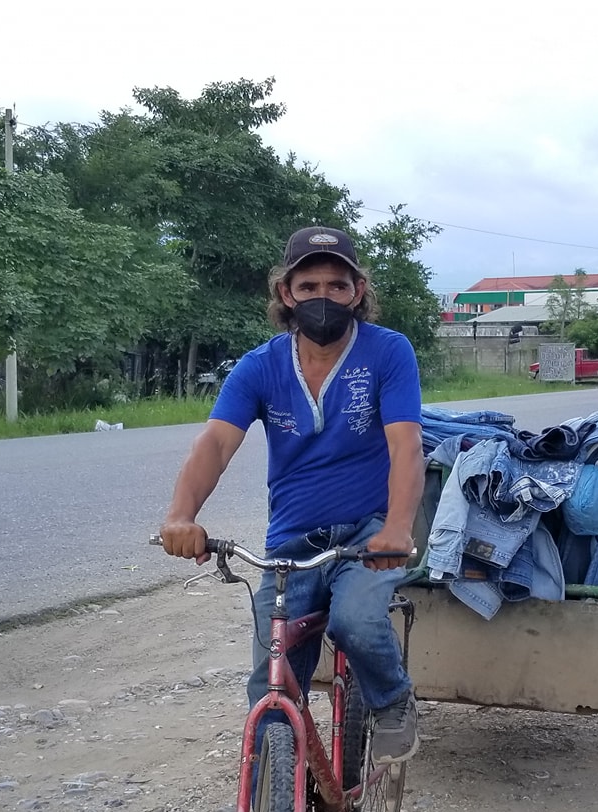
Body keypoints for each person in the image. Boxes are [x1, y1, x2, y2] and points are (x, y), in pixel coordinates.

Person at [157, 225, 425, 766]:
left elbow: (406, 445)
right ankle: (275, 804)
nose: (322, 298)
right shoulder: (261, 366)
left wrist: (398, 527)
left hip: (370, 532)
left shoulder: (387, 352)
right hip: (291, 542)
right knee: (271, 680)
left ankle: (394, 702)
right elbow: (215, 443)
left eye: (336, 285)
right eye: (308, 287)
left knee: (357, 621)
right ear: (287, 293)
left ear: (357, 291)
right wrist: (182, 515)